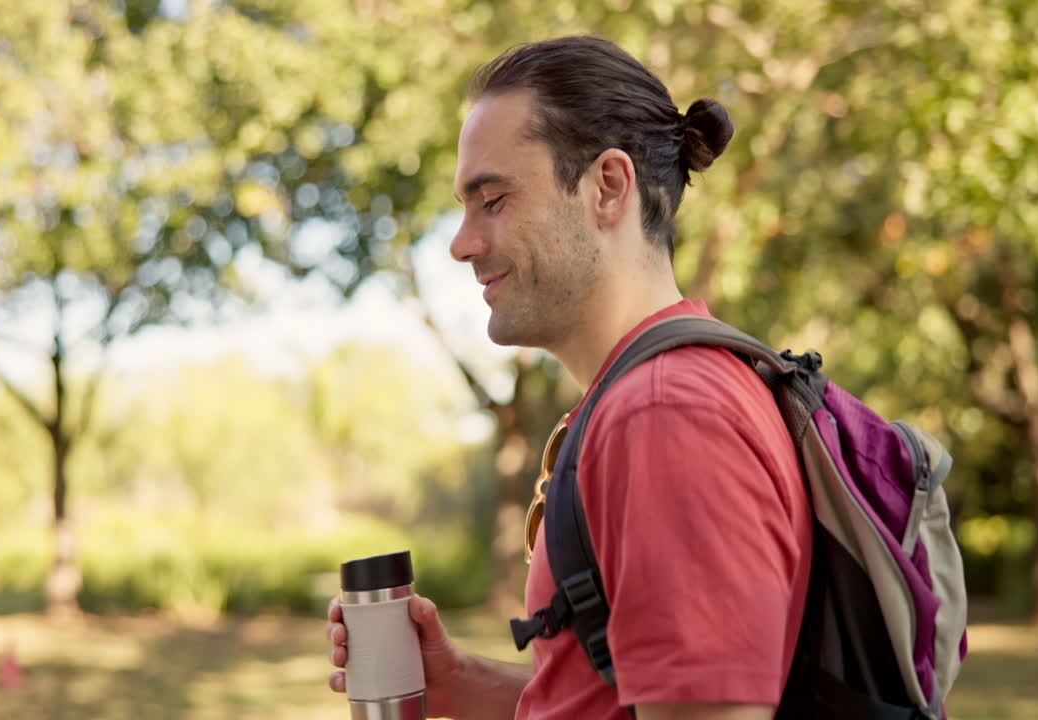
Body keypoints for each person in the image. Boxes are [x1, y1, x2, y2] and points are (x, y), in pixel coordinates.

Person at [328, 35, 813, 720]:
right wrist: (458, 681)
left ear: (607, 188)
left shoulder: (665, 413)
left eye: (491, 200)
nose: (461, 243)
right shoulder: (654, 394)